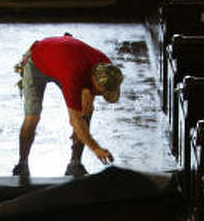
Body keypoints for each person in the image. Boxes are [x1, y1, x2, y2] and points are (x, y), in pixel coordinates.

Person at [13, 34, 124, 180]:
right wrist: (96, 148)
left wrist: (88, 104)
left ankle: (75, 164)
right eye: (99, 92)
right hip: (37, 62)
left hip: (64, 59)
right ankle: (22, 163)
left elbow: (84, 112)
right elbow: (75, 120)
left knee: (86, 110)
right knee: (32, 116)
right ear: (94, 81)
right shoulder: (73, 76)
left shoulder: (107, 68)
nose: (99, 95)